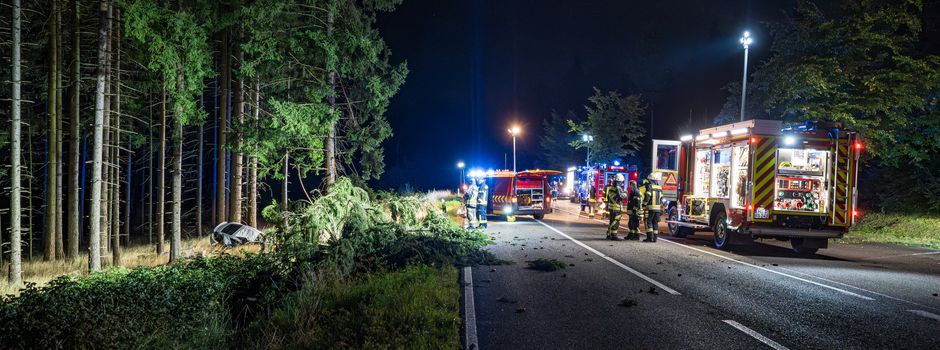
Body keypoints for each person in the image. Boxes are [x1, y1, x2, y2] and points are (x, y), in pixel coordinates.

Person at [604, 174, 628, 240]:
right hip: (616, 208)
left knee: (612, 221)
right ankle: (614, 235)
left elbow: (609, 198)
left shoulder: (611, 188)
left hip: (611, 207)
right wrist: (625, 194)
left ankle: (609, 234)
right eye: (622, 181)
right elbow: (621, 197)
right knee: (616, 221)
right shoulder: (618, 188)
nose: (622, 183)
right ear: (620, 181)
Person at [641, 173, 663, 242]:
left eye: (649, 180)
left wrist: (644, 205)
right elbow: (661, 198)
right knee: (655, 223)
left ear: (651, 180)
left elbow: (647, 196)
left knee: (649, 222)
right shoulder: (659, 187)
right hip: (657, 209)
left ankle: (650, 238)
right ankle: (655, 238)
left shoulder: (649, 186)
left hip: (650, 208)